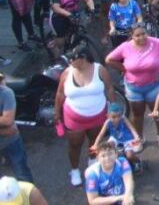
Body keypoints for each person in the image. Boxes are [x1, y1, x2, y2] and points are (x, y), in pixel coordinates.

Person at [54, 45, 117, 187]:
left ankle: (92, 163)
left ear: (83, 58)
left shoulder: (99, 69)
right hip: (74, 118)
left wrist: (113, 108)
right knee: (75, 145)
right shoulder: (67, 73)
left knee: (95, 143)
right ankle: (75, 170)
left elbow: (110, 88)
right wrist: (57, 112)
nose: (70, 62)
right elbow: (60, 93)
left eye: (73, 59)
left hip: (98, 115)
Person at [105, 23, 159, 145]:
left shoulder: (155, 42)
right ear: (131, 36)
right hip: (134, 88)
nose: (142, 37)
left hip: (154, 85)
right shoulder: (125, 47)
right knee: (137, 114)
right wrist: (123, 69)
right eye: (137, 35)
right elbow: (109, 60)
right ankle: (139, 138)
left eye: (144, 34)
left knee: (157, 111)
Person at [0, 73, 34, 182]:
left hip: (10, 142)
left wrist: (7, 130)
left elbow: (8, 120)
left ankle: (29, 197)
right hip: (8, 135)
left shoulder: (6, 93)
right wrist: (4, 130)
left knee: (22, 174)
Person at [91, 102, 141, 169]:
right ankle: (113, 165)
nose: (117, 119)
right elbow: (101, 134)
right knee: (108, 147)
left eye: (119, 116)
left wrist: (136, 136)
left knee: (130, 156)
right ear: (108, 116)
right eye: (114, 117)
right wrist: (95, 144)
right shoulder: (108, 122)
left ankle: (137, 161)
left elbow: (131, 128)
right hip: (115, 138)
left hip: (127, 138)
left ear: (121, 115)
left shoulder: (123, 119)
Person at [84, 140, 135, 205]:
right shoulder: (93, 175)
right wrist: (119, 198)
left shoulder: (122, 162)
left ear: (116, 155)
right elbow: (93, 200)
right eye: (103, 156)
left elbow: (128, 180)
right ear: (98, 158)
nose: (107, 158)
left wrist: (128, 196)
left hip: (122, 199)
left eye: (110, 154)